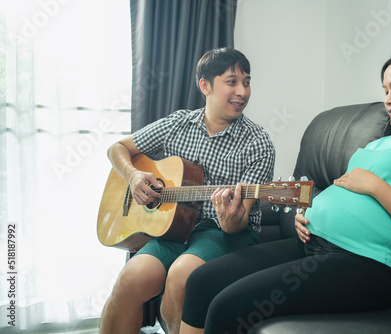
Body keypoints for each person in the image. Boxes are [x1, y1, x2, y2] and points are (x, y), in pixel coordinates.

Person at [179, 47, 391, 334]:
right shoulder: (380, 143)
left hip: (367, 265)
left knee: (227, 307)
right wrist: (309, 214)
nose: (388, 100)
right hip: (310, 244)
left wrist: (377, 187)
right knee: (201, 281)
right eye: (385, 90)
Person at [99, 47, 275, 334]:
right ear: (205, 85)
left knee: (182, 276)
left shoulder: (258, 143)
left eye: (247, 81)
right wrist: (132, 176)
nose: (242, 91)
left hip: (224, 233)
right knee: (131, 278)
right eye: (231, 82)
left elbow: (240, 222)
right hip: (173, 229)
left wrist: (231, 219)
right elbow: (117, 148)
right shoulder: (178, 124)